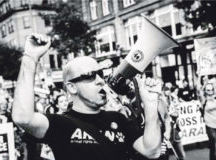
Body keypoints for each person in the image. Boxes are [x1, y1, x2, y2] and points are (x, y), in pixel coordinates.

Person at [12, 33, 162, 160]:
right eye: (90, 76)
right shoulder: (60, 124)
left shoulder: (118, 119)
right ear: (71, 87)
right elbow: (22, 117)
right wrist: (30, 57)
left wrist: (150, 104)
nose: (100, 81)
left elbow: (152, 151)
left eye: (100, 74)